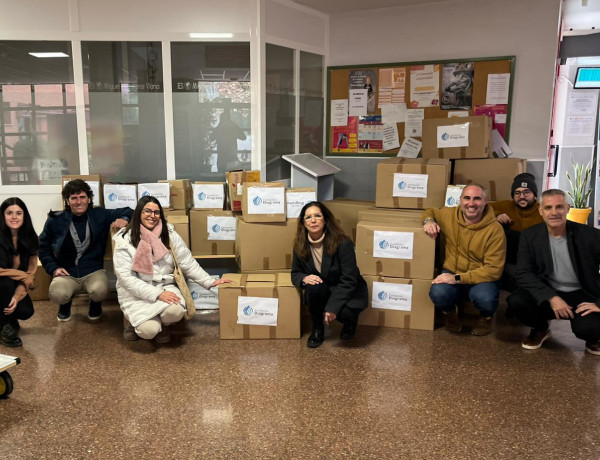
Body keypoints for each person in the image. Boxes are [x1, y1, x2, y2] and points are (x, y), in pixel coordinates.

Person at [113, 196, 230, 343]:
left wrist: (209, 281)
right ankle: (134, 323)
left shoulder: (169, 234)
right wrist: (157, 294)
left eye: (156, 212)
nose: (152, 216)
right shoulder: (124, 239)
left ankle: (164, 324)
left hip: (165, 285)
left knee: (175, 311)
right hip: (136, 291)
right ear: (138, 213)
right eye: (147, 211)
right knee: (148, 331)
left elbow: (187, 262)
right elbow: (126, 279)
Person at [507, 189, 600, 354]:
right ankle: (540, 328)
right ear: (540, 210)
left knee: (590, 328)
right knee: (517, 302)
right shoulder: (530, 235)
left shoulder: (591, 236)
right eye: (548, 208)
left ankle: (593, 337)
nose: (554, 212)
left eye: (559, 207)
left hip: (582, 293)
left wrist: (599, 304)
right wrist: (551, 297)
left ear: (568, 208)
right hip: (548, 290)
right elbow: (523, 272)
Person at [39, 179, 133, 322]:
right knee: (58, 294)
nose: (78, 202)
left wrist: (125, 218)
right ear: (67, 201)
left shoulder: (99, 215)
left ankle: (95, 305)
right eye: (74, 198)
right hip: (66, 272)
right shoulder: (55, 220)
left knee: (99, 290)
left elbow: (129, 210)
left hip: (92, 270)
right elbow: (43, 247)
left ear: (89, 199)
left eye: (82, 197)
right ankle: (65, 304)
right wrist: (53, 268)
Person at [422, 184, 506, 336]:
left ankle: (486, 317)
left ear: (485, 201)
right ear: (460, 200)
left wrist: (457, 278)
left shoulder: (495, 230)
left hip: (481, 277)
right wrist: (428, 221)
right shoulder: (449, 215)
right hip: (452, 269)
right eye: (467, 198)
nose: (471, 203)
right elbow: (430, 211)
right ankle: (449, 313)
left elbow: (493, 270)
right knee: (438, 293)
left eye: (477, 199)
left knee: (485, 298)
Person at [291, 201, 367, 348]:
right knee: (312, 286)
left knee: (345, 313)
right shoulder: (300, 245)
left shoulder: (343, 243)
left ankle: (350, 323)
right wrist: (304, 278)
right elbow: (295, 272)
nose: (313, 220)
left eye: (317, 216)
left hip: (346, 289)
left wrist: (333, 307)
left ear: (325, 220)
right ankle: (318, 329)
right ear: (303, 223)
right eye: (308, 217)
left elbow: (349, 280)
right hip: (323, 288)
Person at [492, 173, 544, 292]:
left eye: (526, 192)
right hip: (509, 261)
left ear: (535, 195)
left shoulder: (543, 211)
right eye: (517, 193)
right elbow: (481, 207)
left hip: (533, 262)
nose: (522, 196)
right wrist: (497, 214)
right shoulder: (506, 206)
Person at [0, 198, 38, 347]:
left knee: (25, 311)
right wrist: (23, 276)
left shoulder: (31, 239)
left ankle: (8, 318)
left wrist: (17, 296)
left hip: (12, 285)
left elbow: (31, 272)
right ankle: (4, 327)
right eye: (9, 213)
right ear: (2, 216)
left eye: (18, 213)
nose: (14, 217)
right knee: (5, 282)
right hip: (2, 283)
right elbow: (25, 276)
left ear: (24, 216)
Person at [212, 109, 247, 174]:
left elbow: (211, 138)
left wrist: (219, 125)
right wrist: (234, 125)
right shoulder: (232, 128)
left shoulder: (220, 129)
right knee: (233, 179)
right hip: (231, 158)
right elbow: (243, 137)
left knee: (221, 177)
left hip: (222, 158)